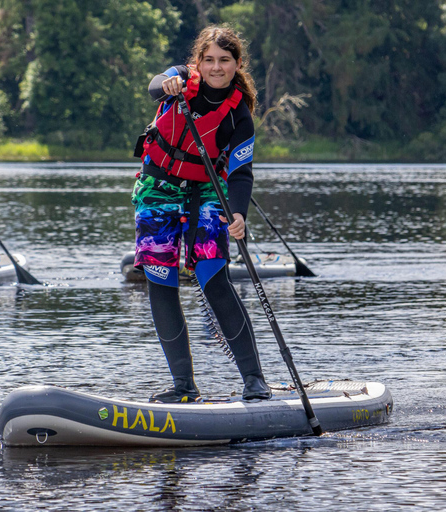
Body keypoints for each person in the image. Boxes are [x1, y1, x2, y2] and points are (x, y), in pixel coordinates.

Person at [132, 25, 271, 404]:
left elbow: (241, 173)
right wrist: (169, 85)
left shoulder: (239, 117)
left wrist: (238, 213)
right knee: (162, 281)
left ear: (237, 64)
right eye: (208, 60)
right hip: (158, 188)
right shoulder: (178, 79)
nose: (216, 67)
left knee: (213, 278)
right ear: (198, 62)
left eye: (224, 60)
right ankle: (183, 386)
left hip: (207, 192)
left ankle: (254, 380)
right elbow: (153, 85)